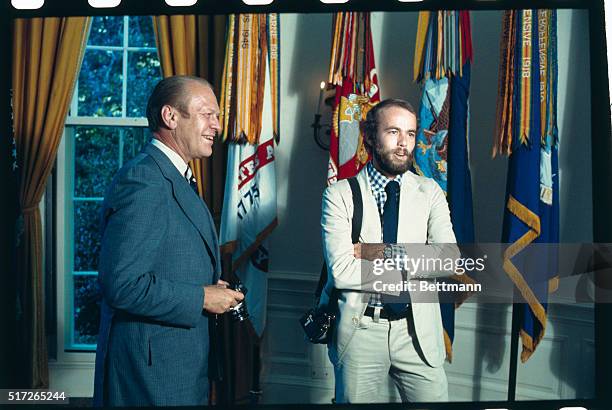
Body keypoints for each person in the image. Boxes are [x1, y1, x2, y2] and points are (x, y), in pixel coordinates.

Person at [93, 75, 244, 406]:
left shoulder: (175, 176)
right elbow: (121, 286)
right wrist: (201, 297)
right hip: (151, 374)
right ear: (170, 116)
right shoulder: (144, 180)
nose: (217, 126)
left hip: (177, 363)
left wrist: (207, 285)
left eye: (216, 116)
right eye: (207, 114)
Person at [320, 98, 457, 403]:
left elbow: (449, 259)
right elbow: (342, 272)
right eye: (393, 132)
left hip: (418, 331)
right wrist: (417, 261)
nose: (403, 143)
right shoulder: (340, 194)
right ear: (369, 136)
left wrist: (376, 251)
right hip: (361, 330)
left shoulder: (429, 192)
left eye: (410, 134)